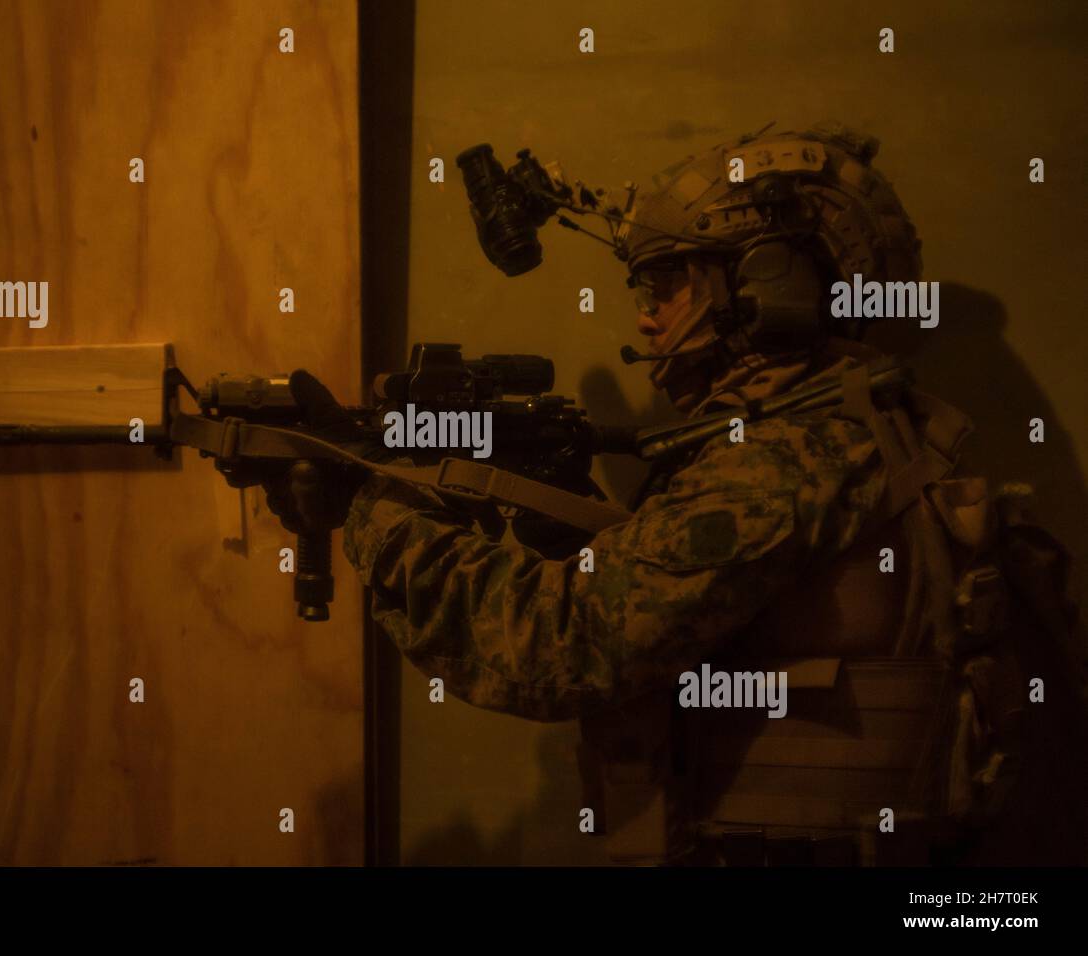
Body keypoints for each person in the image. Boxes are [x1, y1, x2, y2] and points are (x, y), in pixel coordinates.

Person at [267, 123, 1085, 865]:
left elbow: (563, 647)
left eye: (668, 288)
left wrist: (370, 509)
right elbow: (678, 604)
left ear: (769, 285)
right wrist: (562, 515)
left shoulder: (785, 458)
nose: (649, 320)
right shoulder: (845, 429)